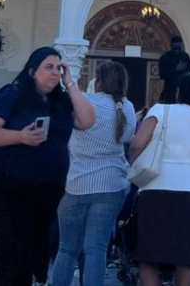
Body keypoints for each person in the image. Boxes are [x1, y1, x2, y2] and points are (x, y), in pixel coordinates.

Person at [0, 47, 95, 286]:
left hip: (47, 190)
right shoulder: (14, 94)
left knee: (35, 257)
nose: (55, 72)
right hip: (10, 187)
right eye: (48, 67)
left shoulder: (61, 101)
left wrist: (71, 84)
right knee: (14, 257)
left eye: (58, 68)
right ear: (32, 71)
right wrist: (20, 137)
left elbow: (87, 120)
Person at [128, 72, 190, 286]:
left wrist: (133, 164)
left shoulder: (160, 111)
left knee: (149, 258)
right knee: (186, 260)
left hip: (154, 189)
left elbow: (137, 144)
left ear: (179, 91)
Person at [51, 61, 137, 286]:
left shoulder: (84, 101)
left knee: (67, 249)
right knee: (96, 248)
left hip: (77, 183)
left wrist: (70, 85)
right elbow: (127, 138)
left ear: (98, 80)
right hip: (112, 184)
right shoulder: (127, 108)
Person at [158, 38, 190, 104]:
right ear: (171, 46)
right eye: (175, 48)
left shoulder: (185, 56)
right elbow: (162, 75)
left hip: (183, 91)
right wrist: (175, 69)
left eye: (179, 48)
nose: (177, 50)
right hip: (169, 91)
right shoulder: (165, 57)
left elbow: (189, 72)